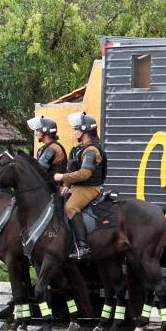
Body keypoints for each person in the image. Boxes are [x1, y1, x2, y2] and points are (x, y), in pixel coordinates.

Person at [54, 112, 106, 261]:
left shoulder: (91, 150)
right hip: (77, 187)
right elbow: (72, 168)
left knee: (71, 207)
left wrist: (62, 177)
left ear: (85, 131)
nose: (74, 131)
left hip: (89, 188)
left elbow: (84, 174)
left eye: (77, 128)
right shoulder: (80, 148)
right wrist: (66, 185)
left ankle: (84, 247)